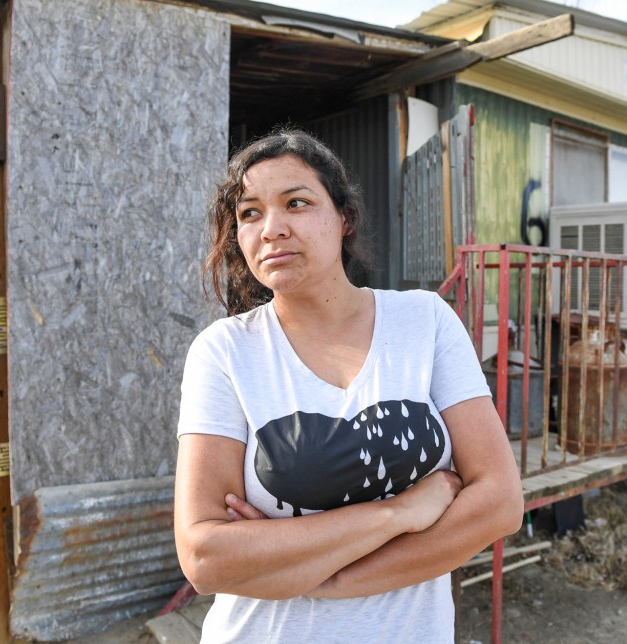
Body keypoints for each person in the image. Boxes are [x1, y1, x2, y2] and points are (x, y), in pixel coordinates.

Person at [174, 128, 523, 643]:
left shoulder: (424, 321)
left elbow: (499, 502)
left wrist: (328, 576)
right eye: (249, 213)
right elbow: (205, 556)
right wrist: (399, 513)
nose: (272, 228)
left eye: (296, 202)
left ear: (344, 218)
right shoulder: (224, 352)